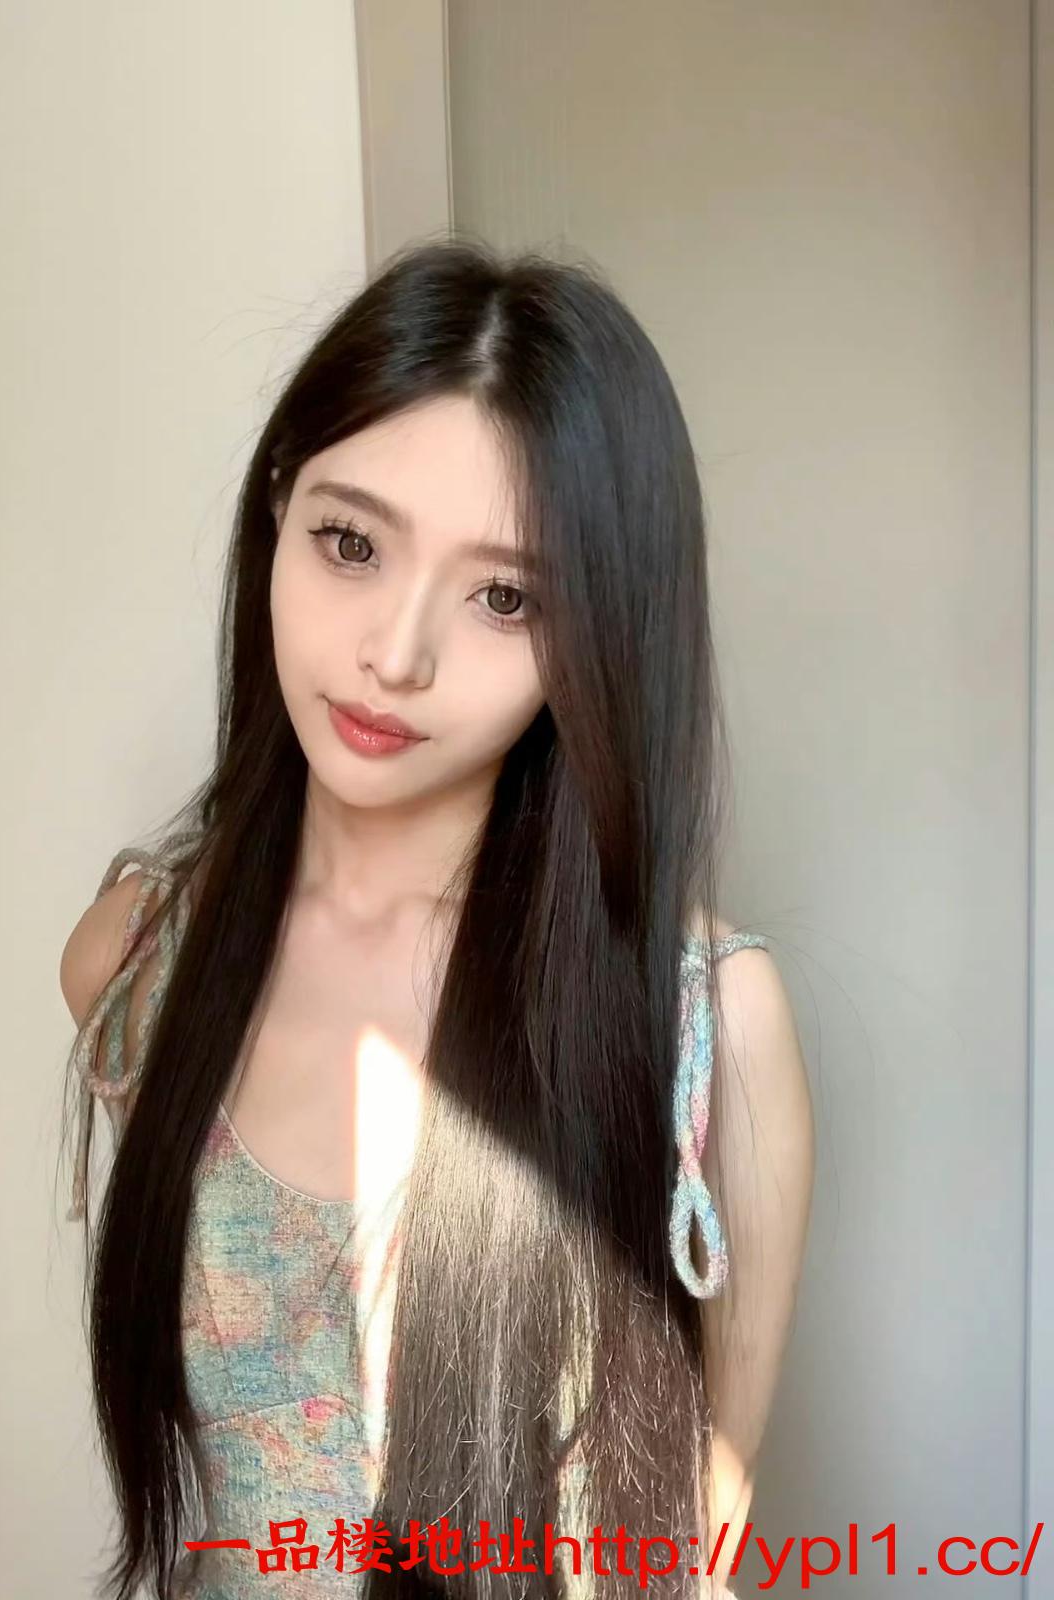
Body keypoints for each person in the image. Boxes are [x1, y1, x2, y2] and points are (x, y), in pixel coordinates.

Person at [59, 237, 814, 1600]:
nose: (395, 655)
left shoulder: (707, 1026)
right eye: (350, 542)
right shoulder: (139, 960)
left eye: (505, 597)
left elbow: (700, 1530)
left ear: (598, 636)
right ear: (278, 512)